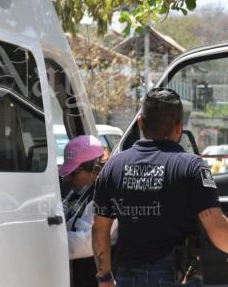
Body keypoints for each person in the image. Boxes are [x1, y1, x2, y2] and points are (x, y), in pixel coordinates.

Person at [92, 88, 228, 287]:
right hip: (176, 276)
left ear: (140, 122)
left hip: (127, 276)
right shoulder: (192, 167)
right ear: (179, 127)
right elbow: (217, 230)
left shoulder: (113, 166)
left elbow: (99, 229)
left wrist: (104, 278)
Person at [60, 135, 113, 287]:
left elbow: (87, 242)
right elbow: (64, 219)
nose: (68, 178)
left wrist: (49, 243)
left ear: (94, 169)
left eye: (73, 173)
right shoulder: (78, 192)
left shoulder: (107, 195)